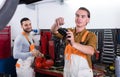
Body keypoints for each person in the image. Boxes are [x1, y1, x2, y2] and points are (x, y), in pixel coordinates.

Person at [51, 7, 97, 77]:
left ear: (88, 20)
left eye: (83, 16)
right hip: (68, 72)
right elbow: (54, 31)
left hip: (83, 74)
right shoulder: (69, 32)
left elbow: (91, 51)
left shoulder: (91, 35)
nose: (79, 18)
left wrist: (73, 43)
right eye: (77, 15)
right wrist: (56, 24)